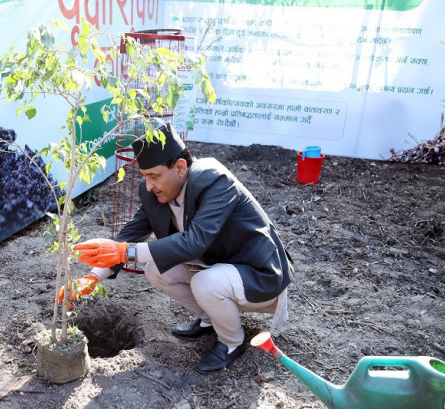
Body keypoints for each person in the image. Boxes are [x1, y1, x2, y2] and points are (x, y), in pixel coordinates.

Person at [66, 122, 293, 373]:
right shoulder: (155, 192)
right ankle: (210, 321)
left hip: (259, 275)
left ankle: (232, 342)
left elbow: (195, 241)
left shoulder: (215, 180)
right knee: (156, 270)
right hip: (217, 266)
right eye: (145, 177)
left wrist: (126, 252)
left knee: (205, 283)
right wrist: (93, 276)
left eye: (154, 176)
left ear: (181, 167)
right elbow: (128, 237)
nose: (149, 185)